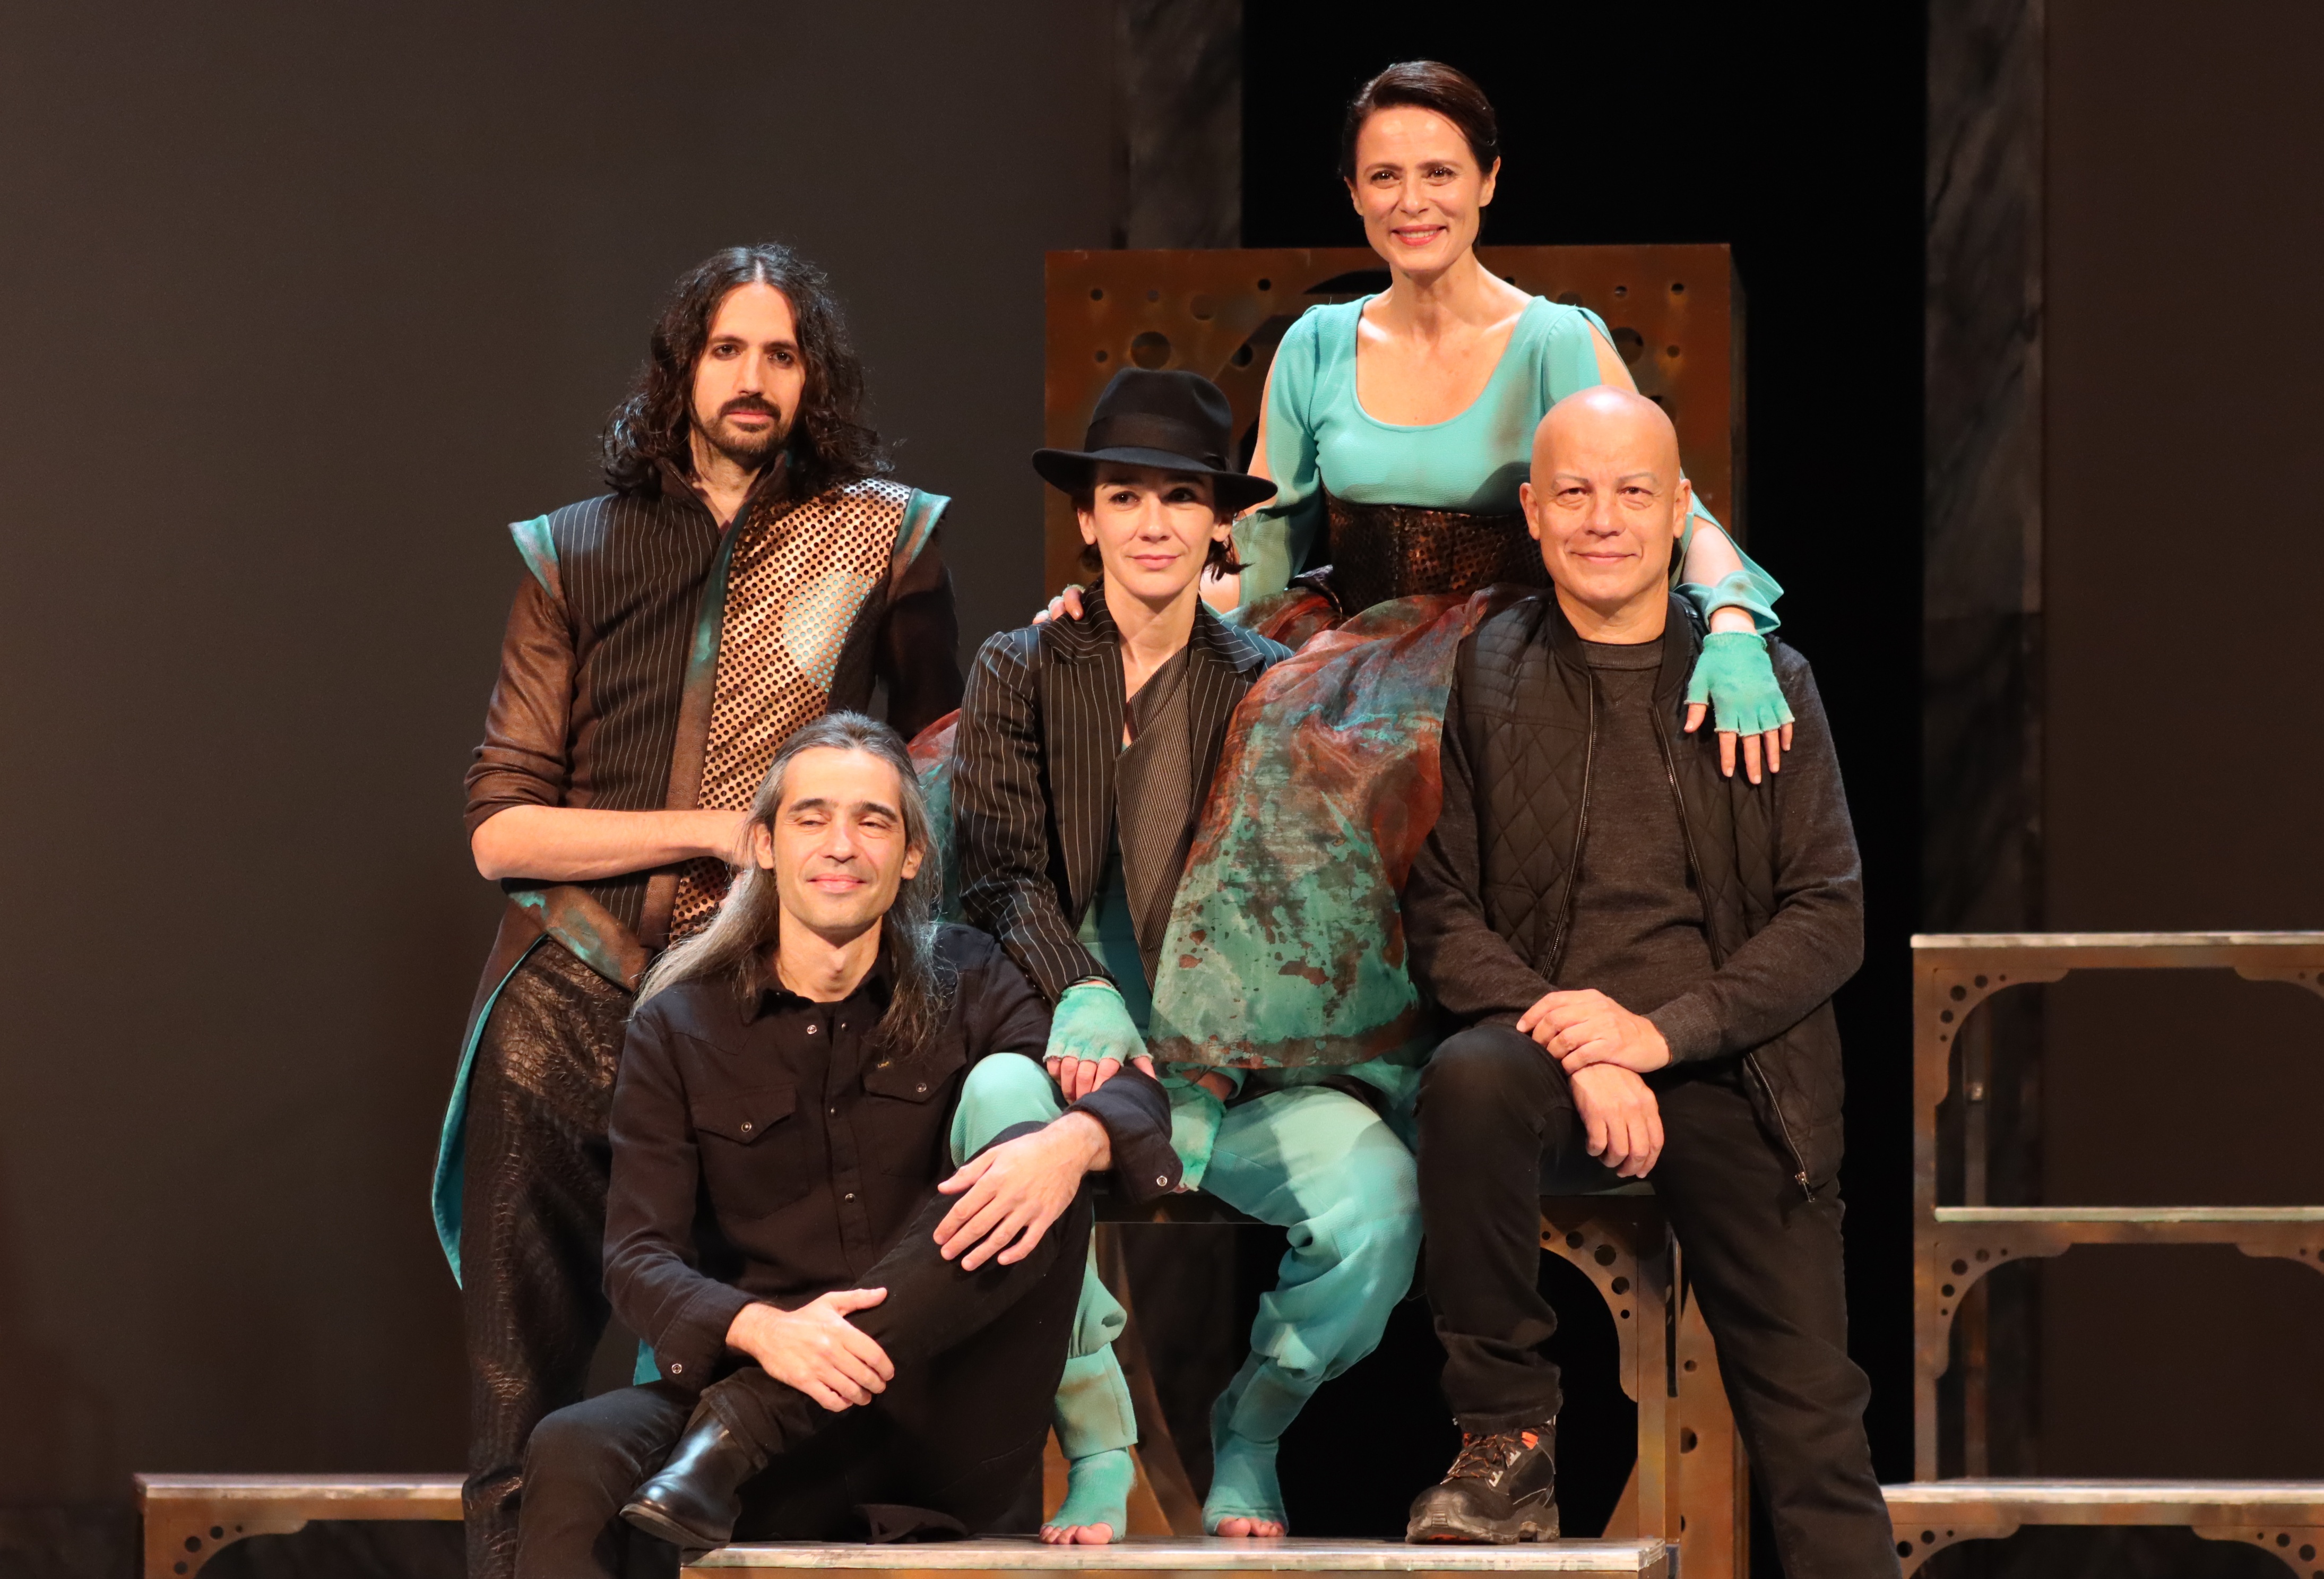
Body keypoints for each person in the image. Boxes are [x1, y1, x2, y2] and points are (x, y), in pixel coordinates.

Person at [436, 244, 963, 1579]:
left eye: (782, 354)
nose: (753, 378)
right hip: (570, 990)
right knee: (518, 1405)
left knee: (726, 1407)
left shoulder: (882, 537)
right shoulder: (573, 548)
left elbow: (938, 767)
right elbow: (502, 831)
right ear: (682, 369)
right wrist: (720, 831)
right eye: (728, 349)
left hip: (758, 1009)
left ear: (813, 378)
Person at [1396, 386, 1896, 1574]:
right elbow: (1441, 910)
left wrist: (1656, 1038)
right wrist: (1580, 1042)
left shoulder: (1770, 678)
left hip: (1738, 1073)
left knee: (1815, 1432)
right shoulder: (1481, 671)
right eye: (1574, 492)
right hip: (1547, 1060)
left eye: (1633, 492)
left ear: (1681, 511)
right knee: (1469, 1079)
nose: (1603, 519)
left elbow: (1830, 916)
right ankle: (1506, 1438)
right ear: (1532, 510)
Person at [514, 714, 1181, 1576]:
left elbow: (1135, 1094)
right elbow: (638, 1258)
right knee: (571, 1445)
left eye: (873, 821)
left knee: (1029, 1145)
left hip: (945, 1428)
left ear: (910, 856)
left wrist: (1071, 1144)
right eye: (812, 817)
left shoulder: (972, 978)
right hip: (753, 1435)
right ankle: (751, 1417)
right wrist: (763, 1330)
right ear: (764, 845)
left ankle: (750, 1420)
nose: (841, 844)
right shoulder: (678, 1023)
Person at [946, 370, 1416, 1540]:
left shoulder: (1264, 681)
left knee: (1378, 1197)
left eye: (1180, 497)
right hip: (1069, 1047)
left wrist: (1194, 1064)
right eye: (1125, 495)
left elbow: (1284, 903)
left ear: (1220, 525)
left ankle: (1253, 1425)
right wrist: (1084, 991)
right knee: (990, 1112)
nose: (1152, 522)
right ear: (1087, 517)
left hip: (1230, 1067)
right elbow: (998, 872)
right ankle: (1097, 1436)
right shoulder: (1020, 666)